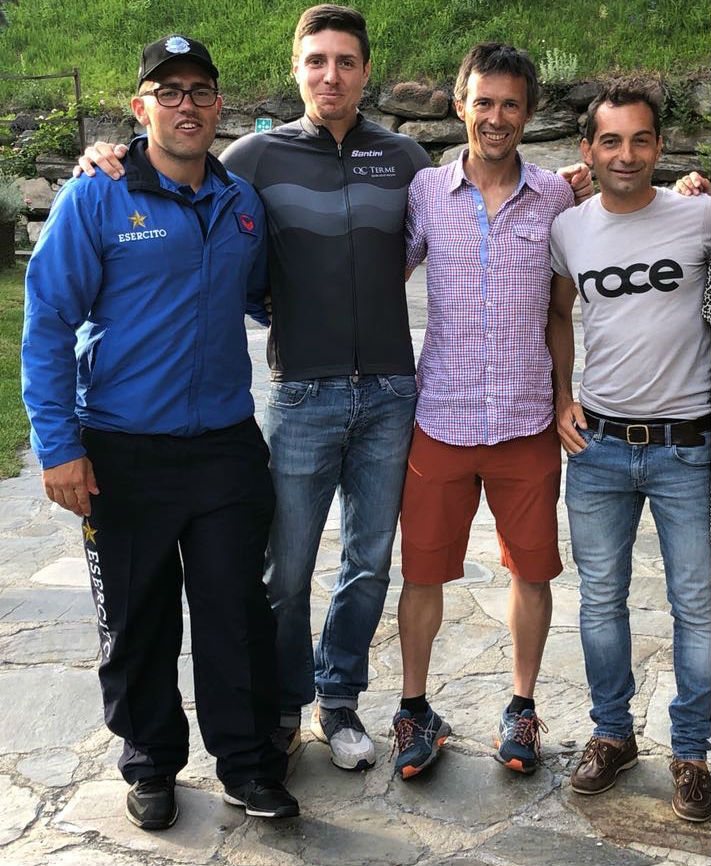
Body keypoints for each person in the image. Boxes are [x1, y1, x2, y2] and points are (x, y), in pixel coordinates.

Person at [75, 6, 591, 774]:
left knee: (367, 564)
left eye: (346, 61)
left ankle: (339, 700)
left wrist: (577, 184)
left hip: (390, 394)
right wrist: (107, 154)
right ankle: (285, 703)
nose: (331, 75)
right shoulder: (252, 156)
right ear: (296, 69)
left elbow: (463, 223)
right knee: (284, 570)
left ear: (365, 72)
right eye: (316, 60)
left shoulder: (406, 161)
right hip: (301, 393)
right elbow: (181, 173)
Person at [22, 35, 298, 829]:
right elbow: (48, 323)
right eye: (167, 91)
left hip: (224, 447)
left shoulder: (241, 203)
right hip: (122, 449)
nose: (186, 105)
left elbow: (260, 295)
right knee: (137, 619)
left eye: (199, 90)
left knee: (235, 615)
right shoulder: (95, 196)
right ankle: (149, 763)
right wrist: (59, 447)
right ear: (140, 107)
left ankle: (247, 765)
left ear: (218, 105)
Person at [390, 41, 582, 781]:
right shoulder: (426, 191)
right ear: (459, 105)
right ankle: (414, 709)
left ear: (527, 113)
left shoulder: (555, 197)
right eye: (484, 102)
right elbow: (383, 271)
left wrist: (563, 396)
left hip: (525, 421)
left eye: (510, 104)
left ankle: (521, 707)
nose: (496, 117)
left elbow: (560, 312)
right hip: (440, 416)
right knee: (421, 573)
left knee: (531, 572)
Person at [547, 78, 711, 823]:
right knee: (599, 602)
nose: (626, 154)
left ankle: (692, 753)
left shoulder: (697, 216)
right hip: (599, 448)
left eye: (640, 139)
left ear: (659, 146)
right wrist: (561, 394)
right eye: (610, 141)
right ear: (587, 150)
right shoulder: (569, 229)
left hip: (687, 448)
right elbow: (557, 315)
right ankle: (612, 734)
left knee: (697, 608)